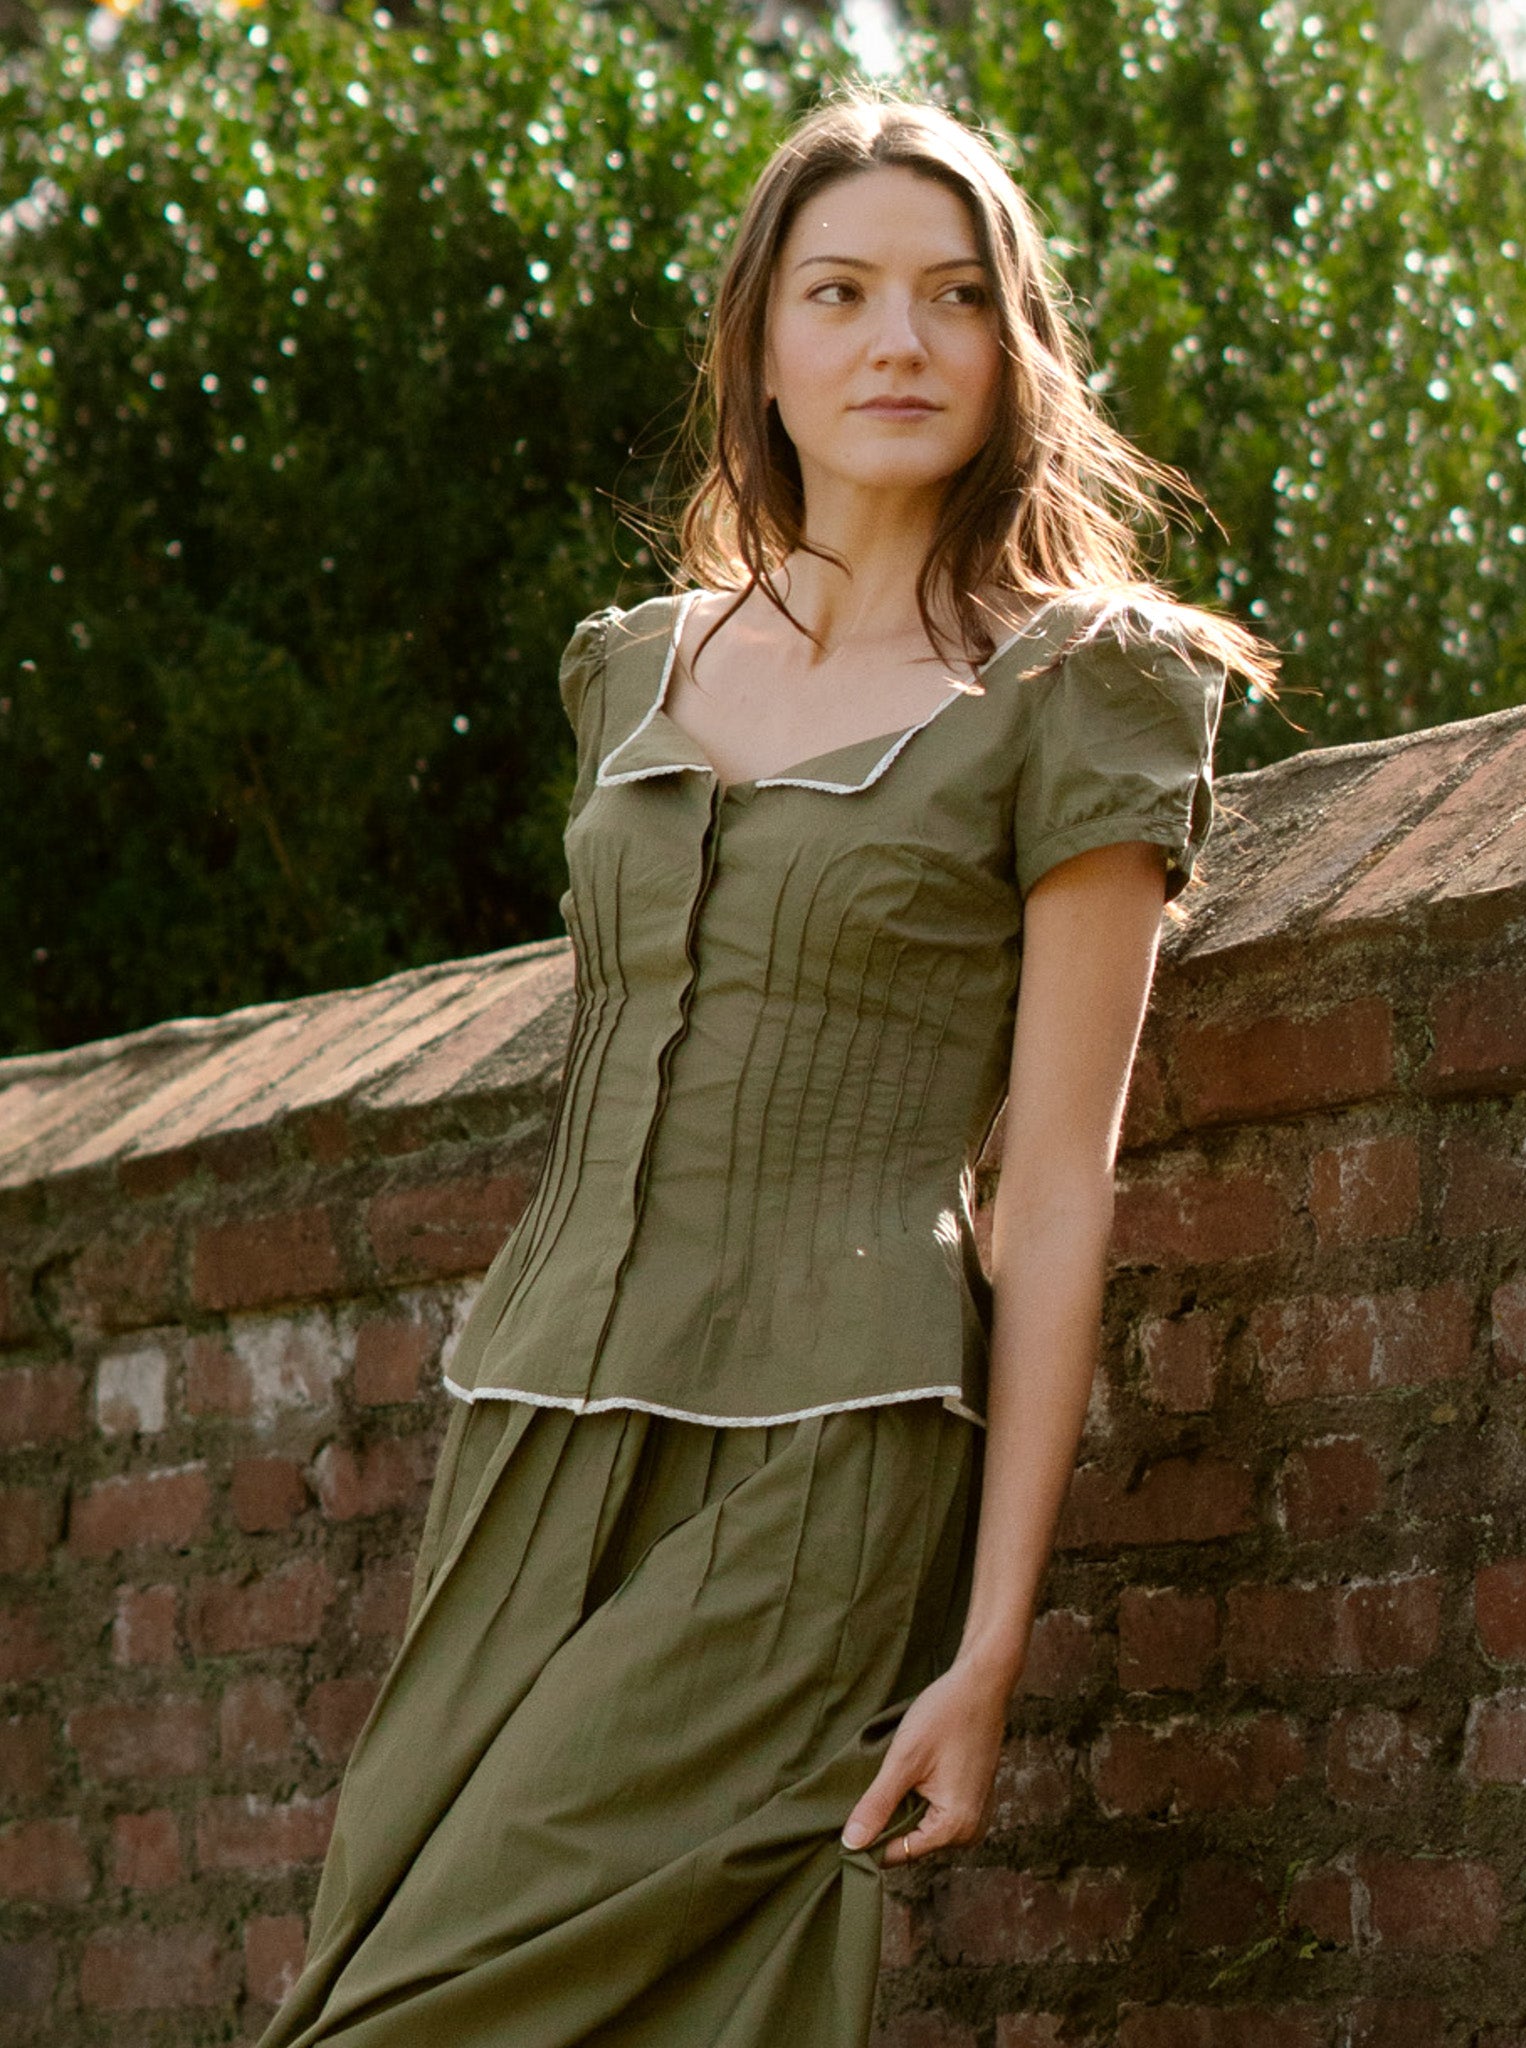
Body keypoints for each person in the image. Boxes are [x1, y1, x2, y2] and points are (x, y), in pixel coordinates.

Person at [255, 89, 1274, 2048]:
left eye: (956, 296)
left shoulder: (1083, 685)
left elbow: (1055, 1186)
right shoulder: (630, 670)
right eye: (845, 291)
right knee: (388, 1966)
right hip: (533, 1427)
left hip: (835, 1438)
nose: (901, 340)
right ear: (762, 345)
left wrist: (985, 1649)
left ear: (1014, 346)